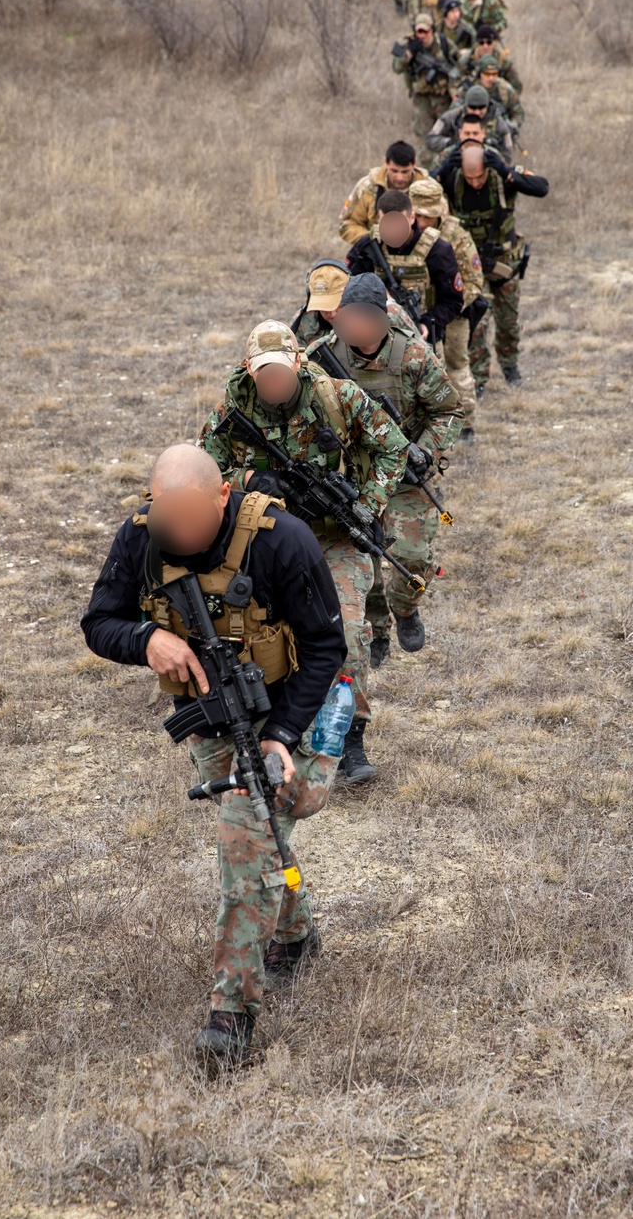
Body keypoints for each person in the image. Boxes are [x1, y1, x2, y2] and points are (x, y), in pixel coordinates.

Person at [81, 444, 347, 1067]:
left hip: (296, 708)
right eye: (169, 521)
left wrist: (281, 734)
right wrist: (146, 639)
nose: (182, 535)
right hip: (213, 719)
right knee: (255, 836)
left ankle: (230, 1015)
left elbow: (327, 645)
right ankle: (296, 933)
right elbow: (99, 622)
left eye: (194, 521)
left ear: (223, 496)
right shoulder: (139, 539)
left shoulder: (284, 540)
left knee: (242, 836)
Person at [199, 321, 409, 784]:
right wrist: (249, 482)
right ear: (249, 371)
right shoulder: (232, 409)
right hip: (263, 539)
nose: (273, 382)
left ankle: (349, 737)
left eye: (280, 371)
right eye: (263, 373)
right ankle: (266, 730)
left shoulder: (340, 398)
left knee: (346, 632)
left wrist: (367, 504)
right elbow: (200, 474)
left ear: (298, 362)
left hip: (333, 535)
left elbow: (395, 449)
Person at [321, 274, 463, 666]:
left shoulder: (414, 356)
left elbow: (450, 411)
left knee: (412, 556)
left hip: (405, 472)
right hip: (354, 477)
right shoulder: (323, 358)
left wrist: (424, 451)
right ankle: (377, 631)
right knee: (362, 556)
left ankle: (404, 608)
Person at [432, 143, 549, 391]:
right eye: (470, 177)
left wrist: (508, 172)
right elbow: (421, 189)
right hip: (471, 264)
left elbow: (542, 187)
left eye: (480, 177)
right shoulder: (452, 180)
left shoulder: (502, 177)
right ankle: (478, 379)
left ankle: (510, 367)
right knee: (478, 323)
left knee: (508, 320)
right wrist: (442, 172)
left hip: (504, 262)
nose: (475, 183)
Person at [409, 176, 483, 443]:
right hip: (415, 317)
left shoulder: (456, 235)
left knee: (456, 365)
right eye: (418, 215)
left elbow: (474, 281)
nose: (422, 222)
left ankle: (466, 425)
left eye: (428, 216)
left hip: (452, 317)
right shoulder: (403, 233)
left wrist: (449, 305)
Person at [346, 188, 464, 345]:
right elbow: (348, 287)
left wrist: (428, 323)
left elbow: (452, 301)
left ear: (412, 218)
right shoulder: (368, 245)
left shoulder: (437, 250)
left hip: (423, 341)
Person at [292, 258, 419, 348]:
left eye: (338, 305)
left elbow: (424, 357)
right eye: (324, 308)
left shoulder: (388, 315)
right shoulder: (303, 322)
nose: (332, 314)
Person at [338, 140, 428, 246]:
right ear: (386, 162)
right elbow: (347, 225)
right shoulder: (368, 187)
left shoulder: (429, 190)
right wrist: (372, 241)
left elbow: (443, 227)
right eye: (394, 171)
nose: (399, 178)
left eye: (405, 172)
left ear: (414, 164)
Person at [391, 14, 457, 151]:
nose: (422, 35)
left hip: (442, 98)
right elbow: (397, 67)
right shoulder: (409, 45)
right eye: (418, 32)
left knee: (446, 134)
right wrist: (409, 53)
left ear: (432, 31)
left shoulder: (443, 44)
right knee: (423, 138)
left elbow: (459, 65)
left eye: (425, 32)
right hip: (422, 99)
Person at [426, 83, 516, 162]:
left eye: (481, 108)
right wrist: (450, 143)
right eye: (473, 108)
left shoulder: (499, 123)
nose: (477, 112)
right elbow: (431, 138)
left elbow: (507, 152)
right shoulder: (451, 117)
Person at [458, 23, 522, 95]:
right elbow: (454, 79)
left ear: (494, 43)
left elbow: (517, 87)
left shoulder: (503, 61)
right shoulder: (468, 59)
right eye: (481, 42)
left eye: (489, 42)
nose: (485, 46)